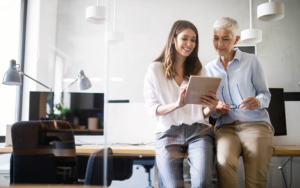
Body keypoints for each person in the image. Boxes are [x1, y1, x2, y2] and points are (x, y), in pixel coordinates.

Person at [144, 20, 218, 188]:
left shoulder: (199, 70)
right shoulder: (155, 69)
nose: (189, 44)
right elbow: (152, 109)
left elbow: (201, 113)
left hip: (198, 132)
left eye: (193, 40)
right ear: (173, 39)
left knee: (202, 183)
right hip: (168, 133)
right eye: (185, 38)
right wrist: (177, 104)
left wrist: (210, 108)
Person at [205, 17, 274, 188]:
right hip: (226, 128)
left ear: (236, 39)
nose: (219, 43)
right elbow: (210, 107)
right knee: (223, 163)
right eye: (216, 38)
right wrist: (216, 109)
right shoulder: (208, 69)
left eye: (225, 38)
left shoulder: (252, 61)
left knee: (255, 181)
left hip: (256, 125)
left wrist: (257, 101)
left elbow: (265, 95)